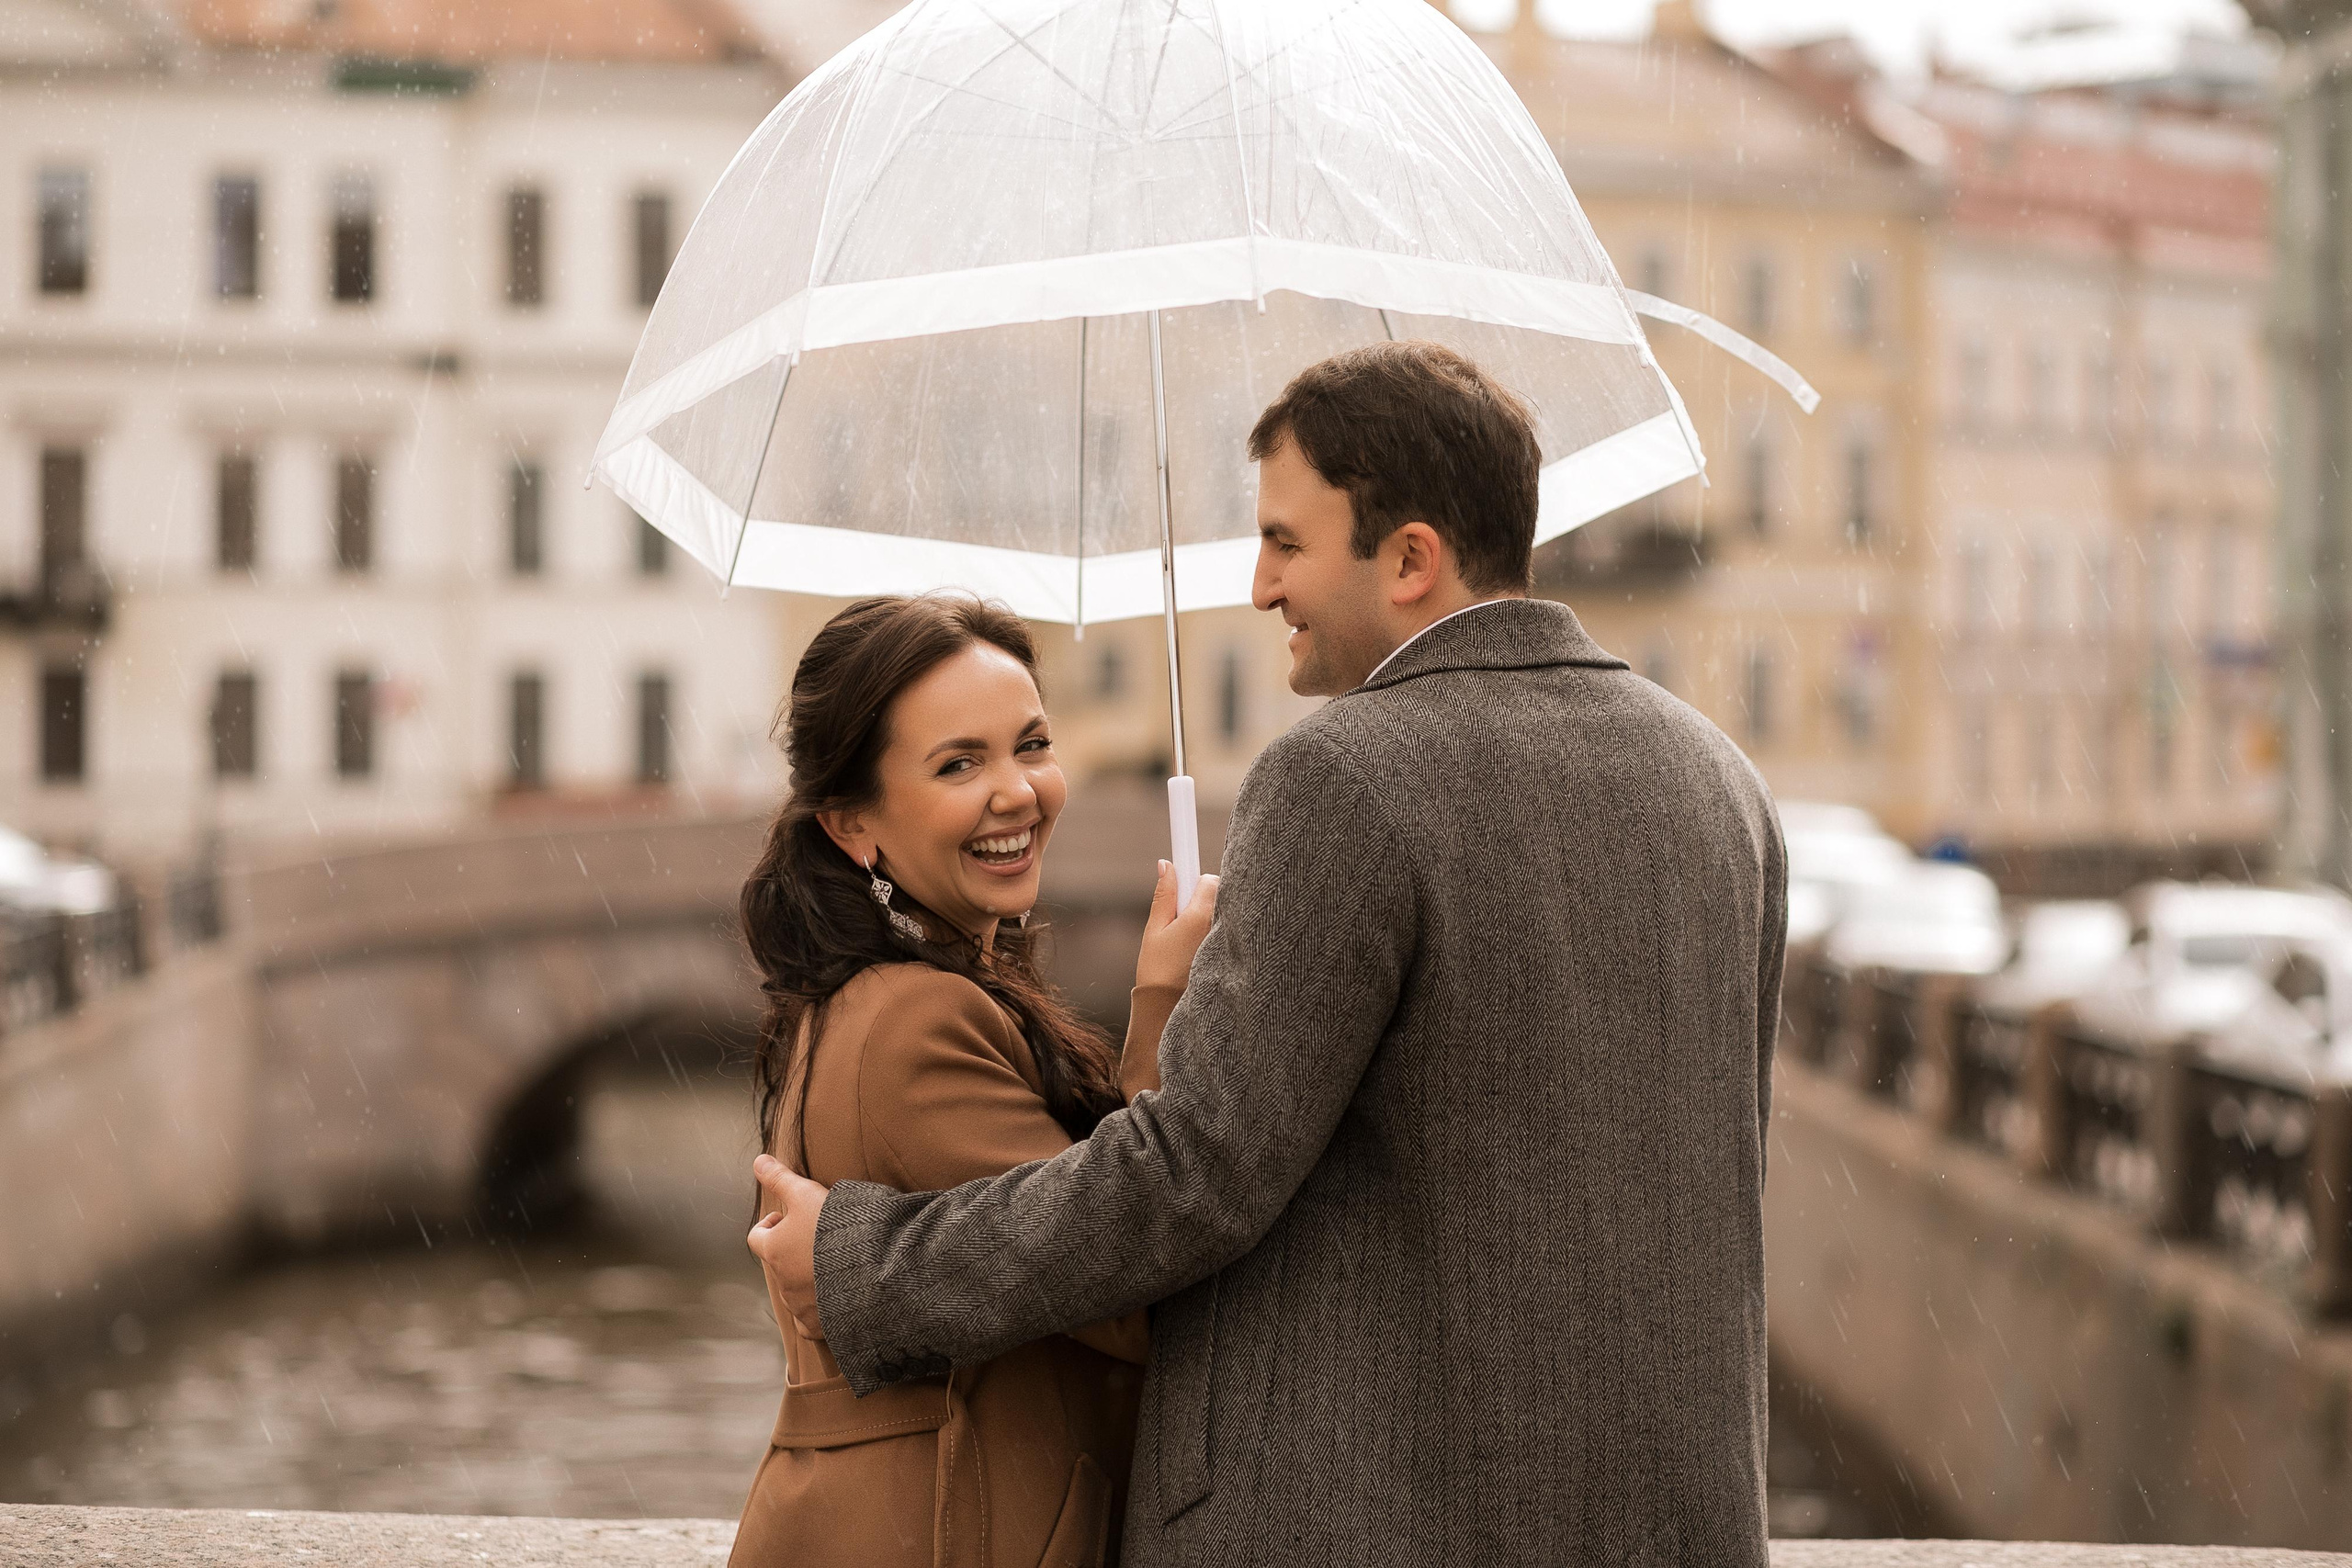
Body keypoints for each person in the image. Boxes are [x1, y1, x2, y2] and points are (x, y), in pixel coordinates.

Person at [751, 342, 1789, 1566]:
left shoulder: (1344, 771)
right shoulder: (1722, 780)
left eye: (1288, 543)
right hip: (1672, 1521)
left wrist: (869, 1266)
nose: (1258, 584)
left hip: (1375, 1521)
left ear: (1409, 558)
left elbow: (1195, 1174)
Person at [729, 594, 1217, 1568]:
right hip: (950, 1530)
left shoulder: (868, 995)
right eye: (960, 764)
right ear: (853, 826)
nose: (1018, 792)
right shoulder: (920, 1018)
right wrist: (1169, 1002)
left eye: (1030, 745)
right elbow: (1124, 1285)